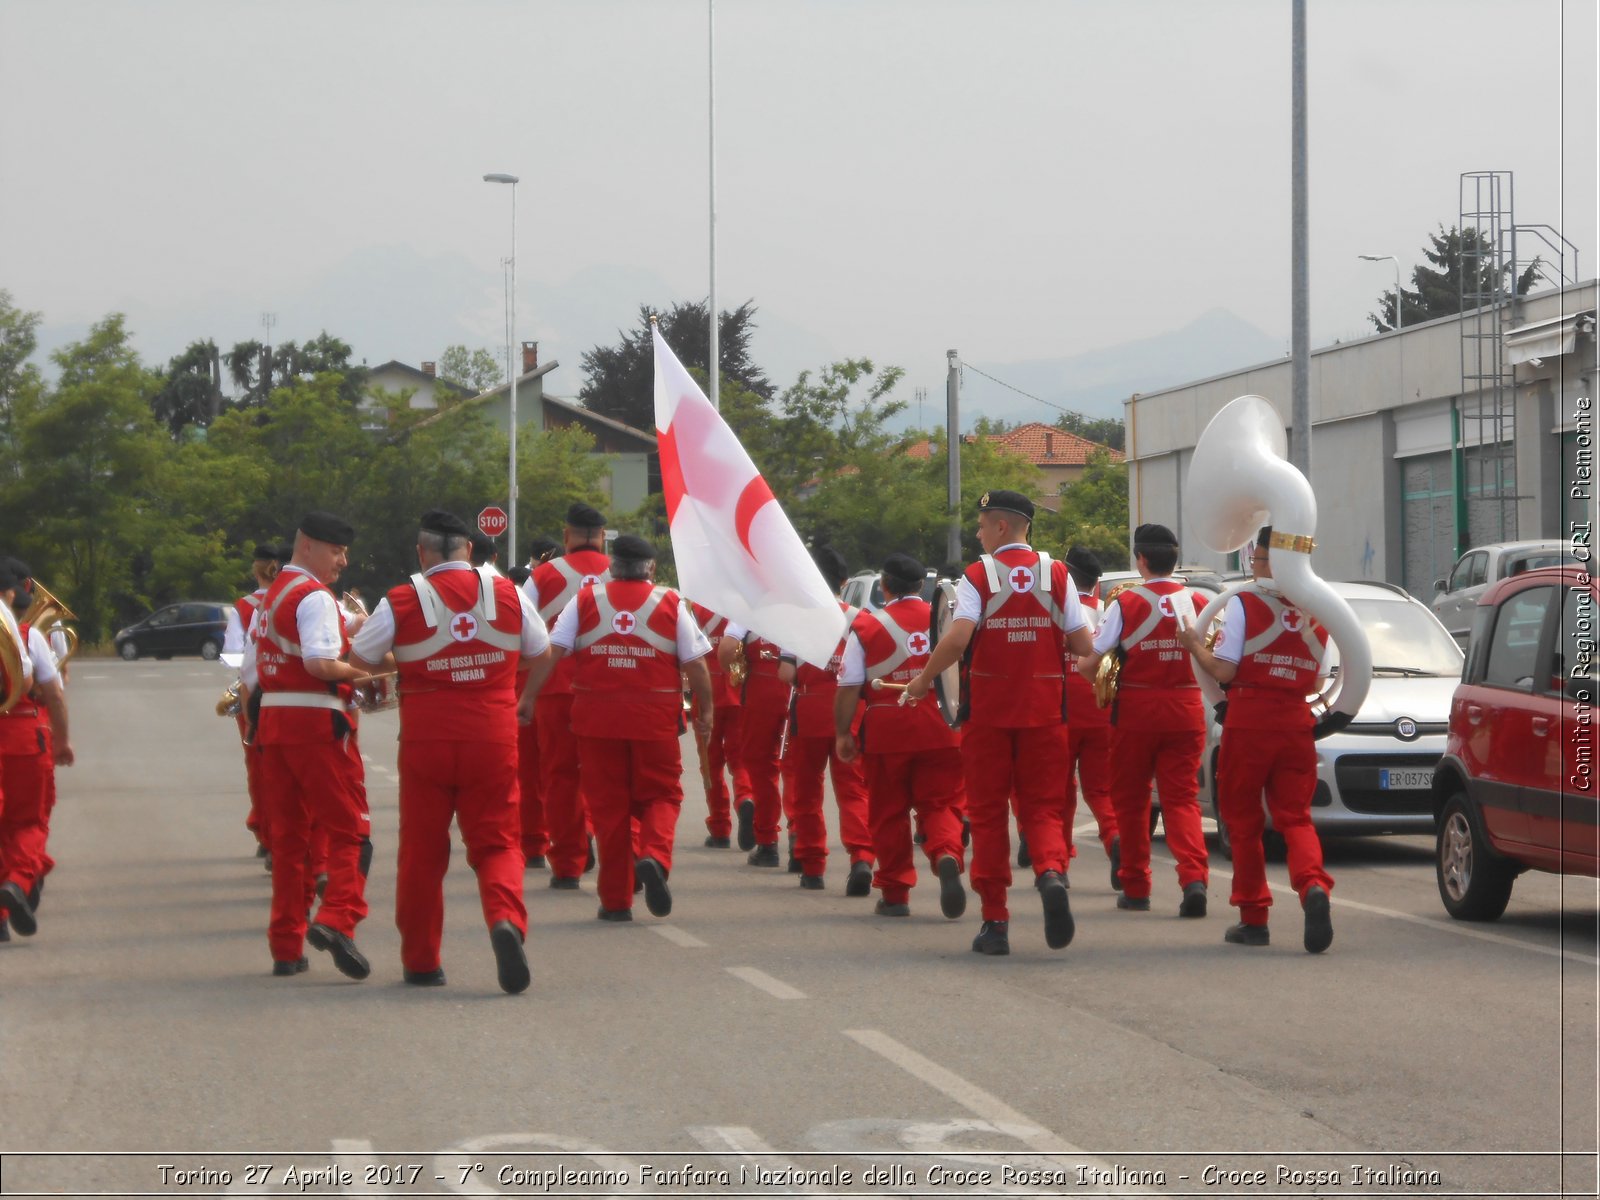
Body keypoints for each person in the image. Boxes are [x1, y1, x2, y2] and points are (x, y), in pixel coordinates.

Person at [350, 509, 549, 991]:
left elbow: (358, 663)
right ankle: (504, 919)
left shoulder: (400, 600)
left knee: (422, 851)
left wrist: (407, 664)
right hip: (493, 733)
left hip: (426, 738)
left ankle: (421, 961)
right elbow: (542, 652)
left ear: (422, 553)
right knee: (499, 840)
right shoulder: (508, 593)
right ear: (468, 549)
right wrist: (523, 700)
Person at [904, 490, 1093, 956]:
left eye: (983, 524)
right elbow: (1084, 644)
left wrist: (923, 681)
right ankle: (1051, 873)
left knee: (988, 816)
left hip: (988, 715)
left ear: (1002, 527)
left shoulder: (977, 576)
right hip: (1046, 712)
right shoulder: (1058, 574)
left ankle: (996, 922)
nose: (978, 532)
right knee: (1044, 808)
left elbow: (957, 638)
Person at [521, 535, 713, 922]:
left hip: (596, 721)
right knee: (662, 795)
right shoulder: (670, 602)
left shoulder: (586, 601)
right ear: (652, 569)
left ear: (611, 568)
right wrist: (705, 711)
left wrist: (527, 698)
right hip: (654, 720)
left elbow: (552, 652)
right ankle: (655, 856)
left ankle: (615, 900)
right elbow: (696, 665)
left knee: (609, 808)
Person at [1177, 526, 1334, 952]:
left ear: (1271, 561)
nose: (1254, 567)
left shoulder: (1244, 603)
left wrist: (1194, 644)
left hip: (1248, 718)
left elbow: (1225, 671)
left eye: (1258, 559)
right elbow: (1320, 677)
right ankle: (1313, 886)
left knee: (1243, 821)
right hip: (1296, 721)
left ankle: (1253, 916)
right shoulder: (1319, 609)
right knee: (1296, 817)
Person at [241, 511, 373, 979]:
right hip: (316, 723)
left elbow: (253, 670)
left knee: (291, 841)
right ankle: (337, 918)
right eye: (336, 552)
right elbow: (320, 663)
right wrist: (369, 675)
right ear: (310, 547)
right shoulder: (313, 596)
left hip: (274, 720)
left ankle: (286, 945)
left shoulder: (273, 594)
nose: (342, 562)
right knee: (351, 831)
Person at [1076, 523, 1211, 917]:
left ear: (1140, 560)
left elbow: (1092, 659)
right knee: (1182, 799)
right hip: (1187, 710)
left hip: (1135, 713)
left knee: (1132, 801)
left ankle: (1136, 886)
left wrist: (1101, 684)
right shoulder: (1198, 602)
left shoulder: (1126, 603)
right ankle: (1194, 879)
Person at [835, 552, 967, 919]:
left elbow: (847, 687)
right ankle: (945, 854)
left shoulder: (867, 627)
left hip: (886, 731)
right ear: (919, 587)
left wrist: (843, 732)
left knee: (888, 811)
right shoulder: (946, 621)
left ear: (884, 586)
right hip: (943, 727)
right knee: (941, 804)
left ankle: (895, 893)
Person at [776, 546, 875, 894]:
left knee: (806, 791)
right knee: (854, 791)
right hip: (851, 715)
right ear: (845, 582)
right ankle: (862, 856)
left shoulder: (798, 621)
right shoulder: (860, 620)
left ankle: (812, 865)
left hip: (809, 713)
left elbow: (786, 672)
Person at [522, 504, 610, 889]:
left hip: (555, 688)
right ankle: (614, 845)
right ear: (603, 536)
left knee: (559, 776)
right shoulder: (620, 572)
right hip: (609, 688)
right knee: (607, 774)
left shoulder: (542, 575)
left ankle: (569, 863)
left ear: (566, 535)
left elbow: (521, 630)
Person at [0, 561, 75, 940]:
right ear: (13, 593)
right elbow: (51, 692)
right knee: (29, 822)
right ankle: (17, 881)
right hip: (23, 732)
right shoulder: (29, 636)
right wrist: (63, 740)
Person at [1063, 546, 1119, 888]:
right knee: (1101, 790)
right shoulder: (1108, 613)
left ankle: (1057, 859)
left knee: (1057, 791)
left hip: (1063, 711)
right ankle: (1115, 837)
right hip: (1102, 711)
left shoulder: (1059, 614)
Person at [224, 542, 285, 859]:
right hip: (293, 692)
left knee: (258, 766)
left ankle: (266, 831)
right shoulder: (301, 597)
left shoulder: (244, 606)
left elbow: (232, 655)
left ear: (255, 569)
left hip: (255, 692)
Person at [717, 618, 788, 866]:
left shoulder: (749, 609)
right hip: (797, 689)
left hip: (761, 691)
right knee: (801, 771)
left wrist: (734, 670)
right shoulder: (803, 604)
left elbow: (726, 649)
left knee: (761, 767)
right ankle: (804, 844)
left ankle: (768, 842)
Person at [688, 600, 751, 849]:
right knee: (740, 760)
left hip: (707, 693)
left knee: (710, 764)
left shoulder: (694, 607)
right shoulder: (744, 606)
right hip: (739, 691)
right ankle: (746, 798)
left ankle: (719, 826)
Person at [512, 535, 560, 865]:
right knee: (567, 772)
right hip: (579, 688)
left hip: (532, 686)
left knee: (532, 773)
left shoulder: (533, 585)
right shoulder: (604, 581)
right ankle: (575, 836)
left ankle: (534, 844)